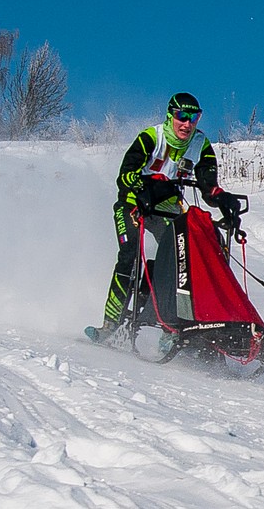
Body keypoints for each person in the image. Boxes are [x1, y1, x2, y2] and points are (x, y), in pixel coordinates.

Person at [87, 92, 241, 343]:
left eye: (194, 117)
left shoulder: (201, 144)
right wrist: (144, 189)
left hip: (168, 209)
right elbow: (125, 175)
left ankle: (170, 325)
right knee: (130, 254)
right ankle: (110, 324)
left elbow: (208, 186)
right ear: (171, 116)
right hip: (134, 205)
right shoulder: (151, 137)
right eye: (182, 116)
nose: (187, 124)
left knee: (183, 259)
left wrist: (223, 199)